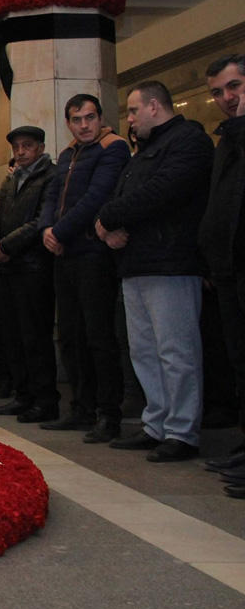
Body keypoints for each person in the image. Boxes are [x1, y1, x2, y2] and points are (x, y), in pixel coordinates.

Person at [96, 81, 214, 462]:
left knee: (175, 351)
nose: (128, 120)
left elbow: (162, 192)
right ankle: (157, 423)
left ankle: (182, 431)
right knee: (145, 351)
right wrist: (108, 224)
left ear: (153, 107)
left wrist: (108, 218)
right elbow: (120, 195)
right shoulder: (145, 152)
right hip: (137, 264)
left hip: (171, 261)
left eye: (132, 111)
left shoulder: (187, 141)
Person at [36, 93, 131, 435]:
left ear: (100, 117)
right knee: (71, 334)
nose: (84, 125)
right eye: (76, 120)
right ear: (68, 123)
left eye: (89, 118)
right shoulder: (67, 154)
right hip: (65, 253)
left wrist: (58, 232)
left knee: (98, 335)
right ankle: (81, 406)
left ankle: (109, 413)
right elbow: (52, 195)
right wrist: (46, 228)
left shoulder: (113, 147)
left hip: (92, 252)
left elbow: (97, 196)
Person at [0, 125, 57, 422]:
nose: (21, 152)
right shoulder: (11, 180)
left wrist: (7, 246)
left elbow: (41, 221)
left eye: (27, 146)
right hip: (7, 267)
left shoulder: (50, 176)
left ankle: (45, 399)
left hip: (33, 266)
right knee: (12, 335)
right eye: (17, 148)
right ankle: (22, 394)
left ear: (39, 147)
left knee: (34, 335)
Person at [199, 56, 245, 489]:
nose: (227, 99)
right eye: (218, 92)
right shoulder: (228, 138)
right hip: (229, 267)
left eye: (234, 87)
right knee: (238, 359)